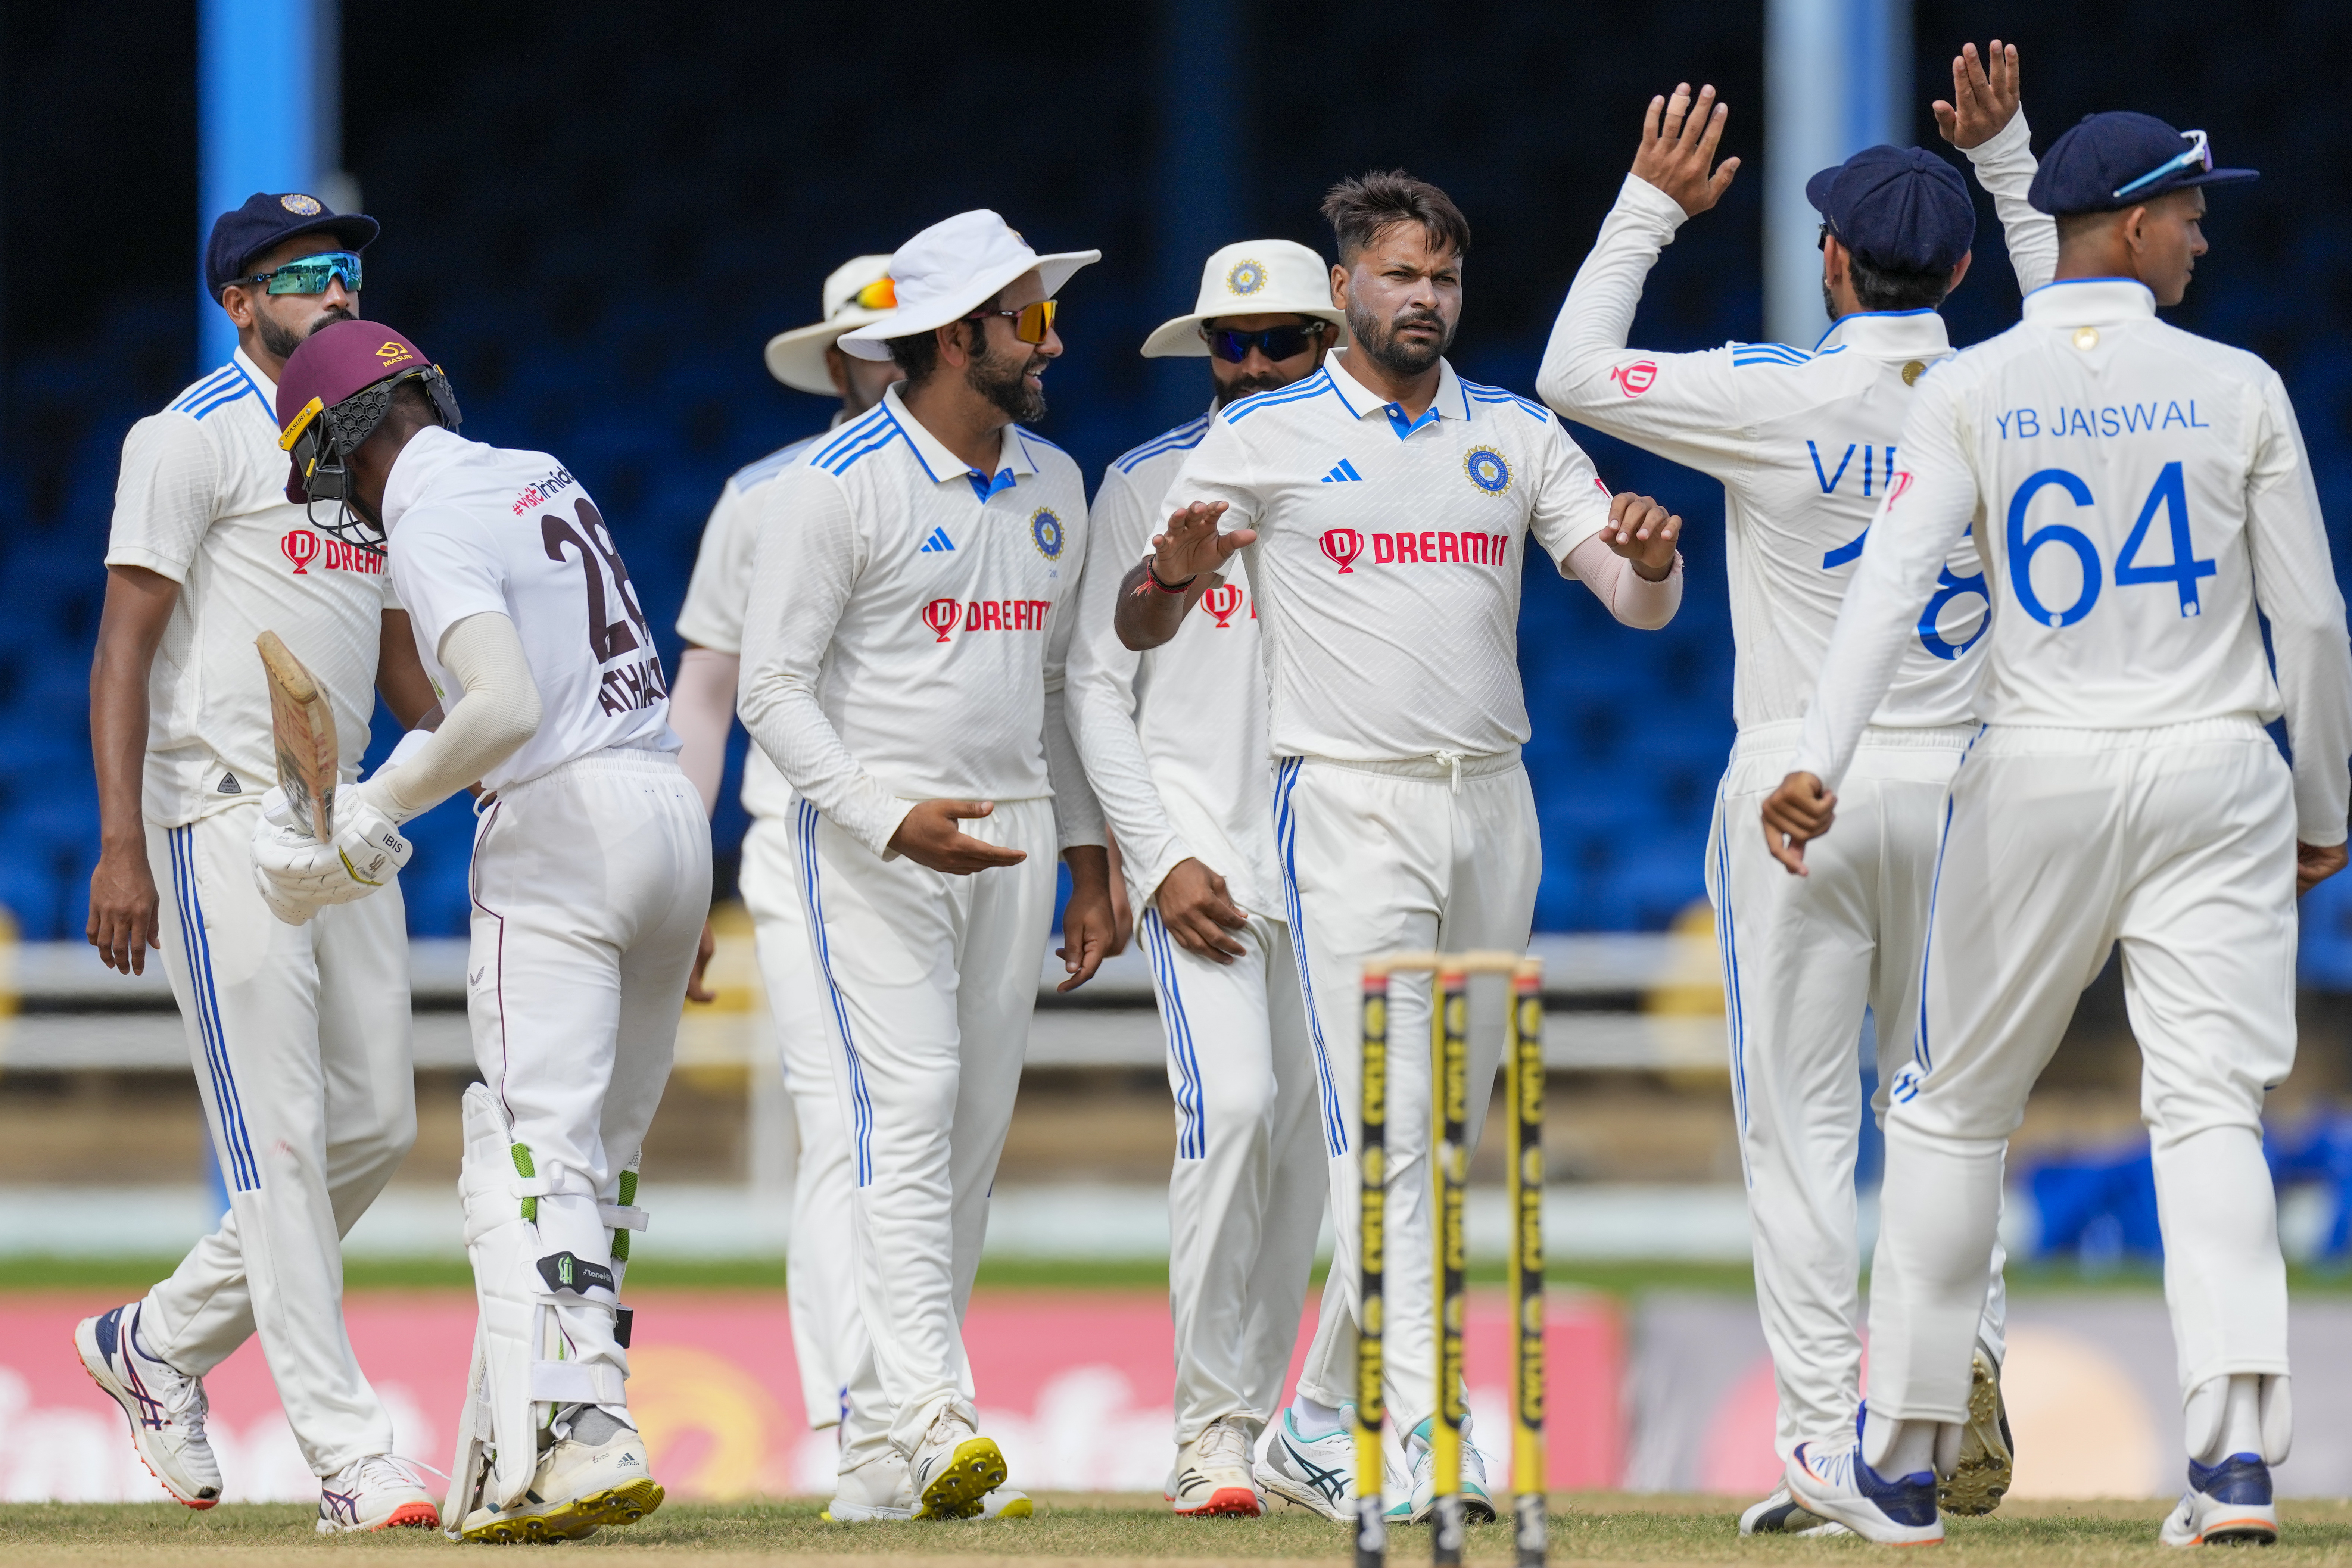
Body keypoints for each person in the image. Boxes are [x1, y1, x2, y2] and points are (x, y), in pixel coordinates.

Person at [1760, 113, 2352, 1547]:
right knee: (2210, 1111)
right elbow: (2318, 623)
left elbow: (1891, 589)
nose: (2204, 236)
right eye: (2191, 215)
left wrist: (1818, 758)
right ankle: (2233, 1469)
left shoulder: (1972, 387)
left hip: (2035, 762)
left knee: (1954, 1111)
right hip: (2218, 765)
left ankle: (1900, 1465)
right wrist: (2325, 804)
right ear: (2132, 227)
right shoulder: (2239, 385)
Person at [1535, 47, 2052, 1533]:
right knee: (1949, 1114)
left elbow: (1570, 375)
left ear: (1829, 259)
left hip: (1801, 785)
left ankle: (1835, 1435)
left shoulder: (1765, 394)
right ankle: (1952, 1370)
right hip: (1971, 786)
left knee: (1800, 1123)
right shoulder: (2008, 392)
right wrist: (2014, 166)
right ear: (1953, 262)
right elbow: (2097, 335)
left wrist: (1644, 209)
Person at [1124, 172, 1685, 1530]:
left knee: (1440, 1129)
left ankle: (1318, 1416)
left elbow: (1634, 604)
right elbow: (1143, 626)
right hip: (1347, 806)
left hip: (1494, 804)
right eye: (1397, 275)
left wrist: (1655, 559)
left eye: (1441, 277)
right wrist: (1179, 573)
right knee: (1384, 1133)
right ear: (1344, 291)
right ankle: (1427, 1422)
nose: (1423, 298)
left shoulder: (1515, 434)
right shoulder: (1263, 438)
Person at [250, 319, 710, 1542]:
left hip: (560, 824)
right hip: (668, 811)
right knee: (600, 1162)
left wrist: (374, 802)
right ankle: (539, 1419)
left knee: (538, 1147)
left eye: (323, 470)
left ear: (343, 443)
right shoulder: (541, 468)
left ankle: (583, 1430)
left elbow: (500, 707)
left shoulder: (432, 513)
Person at [736, 209, 1118, 1522]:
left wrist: (1083, 850)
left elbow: (1063, 688)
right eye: (1029, 318)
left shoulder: (1059, 484)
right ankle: (931, 1408)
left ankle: (881, 1462)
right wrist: (885, 817)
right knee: (906, 1115)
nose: (1050, 338)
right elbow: (771, 695)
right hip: (870, 844)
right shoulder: (836, 486)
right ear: (957, 339)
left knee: (965, 1137)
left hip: (1008, 839)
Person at [78, 192, 442, 1533]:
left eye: (349, 269)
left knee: (379, 1128)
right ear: (241, 301)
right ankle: (349, 1455)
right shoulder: (185, 437)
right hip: (218, 816)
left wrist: (489, 757)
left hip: (339, 823)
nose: (338, 292)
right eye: (305, 276)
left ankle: (156, 1342)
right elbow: (123, 648)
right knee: (280, 1140)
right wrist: (125, 841)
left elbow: (397, 659)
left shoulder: (366, 441)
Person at [1066, 239, 1345, 1517]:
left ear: (1329, 339)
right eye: (1226, 345)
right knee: (1229, 1110)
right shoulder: (1146, 483)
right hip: (1207, 856)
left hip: (1338, 856)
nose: (1248, 367)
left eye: (1278, 342)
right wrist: (1152, 852)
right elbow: (1092, 683)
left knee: (1306, 1152)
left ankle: (1276, 1423)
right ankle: (1207, 1429)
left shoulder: (1369, 477)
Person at [671, 252, 903, 1445]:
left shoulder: (1002, 480)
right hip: (806, 838)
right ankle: (861, 1412)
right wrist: (677, 876)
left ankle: (919, 1399)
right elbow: (706, 695)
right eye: (868, 346)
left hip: (955, 849)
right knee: (841, 1121)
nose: (885, 362)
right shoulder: (764, 495)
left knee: (934, 1135)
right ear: (835, 362)